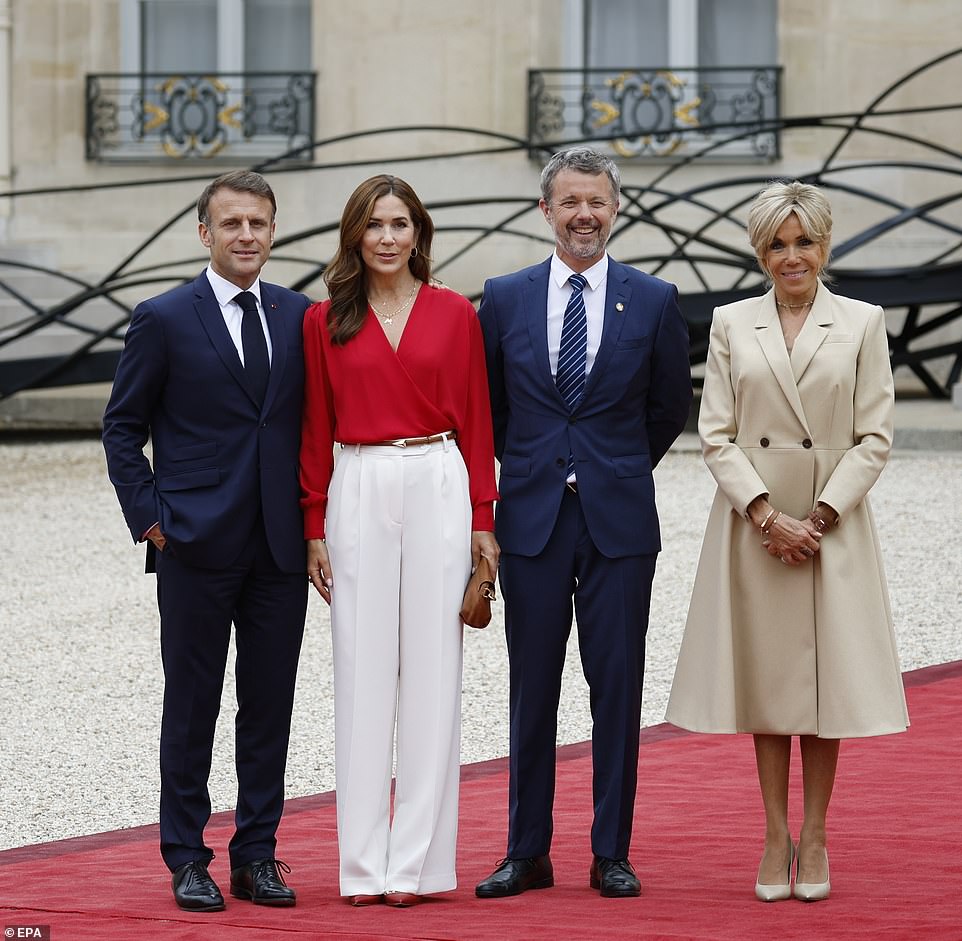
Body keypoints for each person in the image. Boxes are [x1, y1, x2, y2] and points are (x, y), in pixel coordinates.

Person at [665, 181, 909, 902]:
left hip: (834, 523)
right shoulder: (732, 322)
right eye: (778, 243)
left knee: (826, 682)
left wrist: (822, 516)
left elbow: (875, 435)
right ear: (760, 250)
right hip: (756, 526)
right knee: (770, 683)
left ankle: (817, 832)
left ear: (825, 245)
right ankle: (774, 834)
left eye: (804, 241)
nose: (792, 255)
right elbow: (714, 433)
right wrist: (769, 516)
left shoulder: (863, 322)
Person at [474, 147, 692, 899]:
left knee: (617, 688)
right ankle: (526, 850)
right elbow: (492, 410)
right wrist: (540, 465)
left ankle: (611, 851)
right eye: (569, 202)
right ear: (546, 211)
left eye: (596, 201)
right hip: (531, 520)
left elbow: (667, 409)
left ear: (616, 208)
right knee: (531, 688)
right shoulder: (502, 298)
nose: (584, 215)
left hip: (619, 523)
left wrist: (611, 466)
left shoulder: (656, 298)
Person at [102, 170, 310, 912]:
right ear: (205, 233)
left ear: (273, 230)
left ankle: (257, 853)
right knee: (193, 704)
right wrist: (151, 515)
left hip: (280, 548)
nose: (246, 235)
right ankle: (187, 855)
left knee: (269, 704)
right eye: (232, 224)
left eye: (258, 222)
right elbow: (123, 426)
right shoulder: (162, 317)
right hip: (193, 543)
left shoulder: (300, 315)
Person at [299, 174, 499, 907]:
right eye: (374, 224)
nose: (387, 237)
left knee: (433, 672)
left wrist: (484, 518)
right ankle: (361, 865)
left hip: (439, 477)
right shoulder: (324, 321)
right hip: (357, 479)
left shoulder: (455, 314)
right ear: (355, 234)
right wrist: (312, 524)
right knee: (360, 668)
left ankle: (412, 866)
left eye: (400, 223)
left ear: (420, 231)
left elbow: (478, 418)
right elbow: (314, 428)